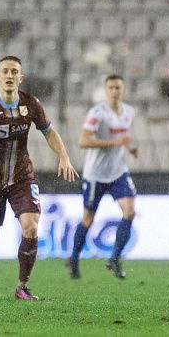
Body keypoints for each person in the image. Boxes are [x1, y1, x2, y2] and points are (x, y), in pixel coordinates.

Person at [0, 56, 78, 301]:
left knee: (31, 226)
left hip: (22, 177)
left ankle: (22, 286)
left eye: (14, 72)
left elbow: (49, 131)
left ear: (20, 78)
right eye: (5, 71)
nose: (10, 76)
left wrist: (64, 156)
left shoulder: (31, 104)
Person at [66, 74, 138, 280]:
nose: (115, 91)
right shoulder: (97, 113)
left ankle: (114, 259)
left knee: (130, 211)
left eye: (118, 88)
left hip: (118, 172)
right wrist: (115, 143)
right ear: (106, 91)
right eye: (111, 88)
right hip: (95, 175)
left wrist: (130, 148)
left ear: (123, 90)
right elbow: (83, 141)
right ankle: (73, 258)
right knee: (88, 218)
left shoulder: (128, 112)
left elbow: (122, 137)